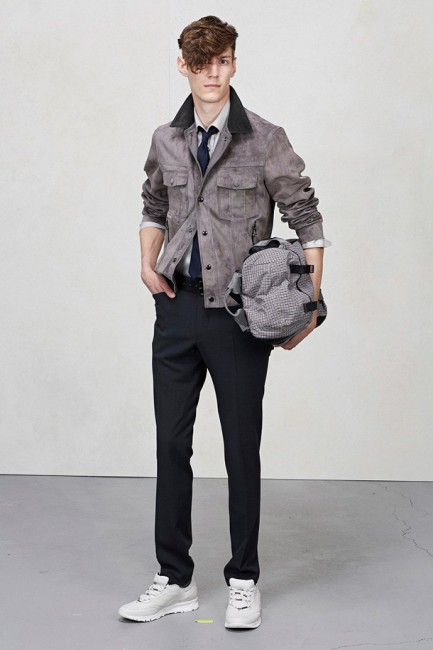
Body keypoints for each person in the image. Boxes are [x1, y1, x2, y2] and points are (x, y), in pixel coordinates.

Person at [119, 15, 331, 629]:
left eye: (223, 60)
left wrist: (309, 303)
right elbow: (153, 204)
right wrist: (147, 266)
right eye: (201, 62)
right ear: (183, 66)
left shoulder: (264, 138)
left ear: (234, 64)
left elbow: (306, 216)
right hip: (176, 308)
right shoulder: (165, 139)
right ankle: (174, 579)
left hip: (239, 318)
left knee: (241, 448)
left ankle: (244, 579)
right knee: (170, 444)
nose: (213, 72)